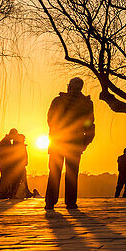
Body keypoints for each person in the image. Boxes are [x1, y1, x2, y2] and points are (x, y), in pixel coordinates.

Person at [45, 77, 96, 210]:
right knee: (71, 174)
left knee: (55, 172)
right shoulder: (86, 103)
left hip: (60, 142)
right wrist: (85, 141)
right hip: (72, 143)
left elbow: (51, 120)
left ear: (69, 86)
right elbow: (89, 124)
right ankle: (70, 202)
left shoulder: (59, 101)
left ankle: (51, 202)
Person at [7, 133, 32, 198]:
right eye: (23, 139)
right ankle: (14, 193)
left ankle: (25, 192)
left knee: (22, 179)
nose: (24, 140)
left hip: (20, 165)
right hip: (18, 166)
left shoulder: (18, 145)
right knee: (18, 180)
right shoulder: (19, 146)